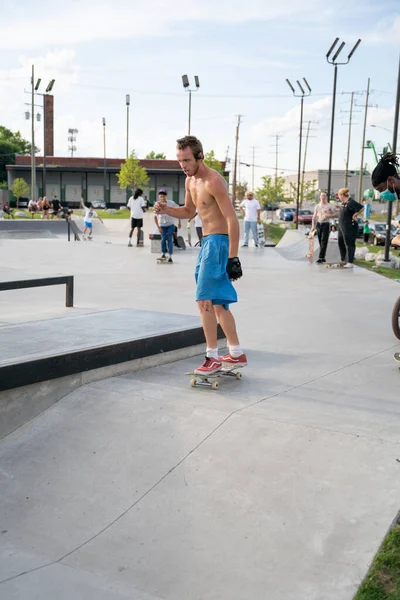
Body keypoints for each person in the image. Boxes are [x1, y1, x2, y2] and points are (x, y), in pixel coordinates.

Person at [155, 135, 245, 375]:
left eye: (186, 160)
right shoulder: (190, 182)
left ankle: (212, 356)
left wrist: (233, 257)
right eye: (179, 160)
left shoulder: (214, 181)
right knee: (217, 304)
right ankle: (236, 353)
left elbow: (231, 219)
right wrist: (167, 210)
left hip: (218, 242)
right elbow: (188, 211)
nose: (182, 165)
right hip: (206, 243)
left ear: (199, 157)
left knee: (203, 299)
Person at [337, 187, 363, 268]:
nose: (339, 198)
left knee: (349, 243)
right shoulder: (343, 203)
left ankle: (350, 261)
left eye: (339, 196)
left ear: (342, 195)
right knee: (340, 242)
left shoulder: (351, 202)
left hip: (349, 226)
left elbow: (361, 208)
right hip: (341, 226)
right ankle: (344, 259)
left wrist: (355, 215)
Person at [311, 192, 337, 263]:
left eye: (325, 196)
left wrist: (329, 215)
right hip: (319, 224)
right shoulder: (317, 206)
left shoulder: (329, 206)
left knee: (324, 240)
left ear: (326, 197)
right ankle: (323, 256)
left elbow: (335, 213)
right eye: (322, 196)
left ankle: (320, 257)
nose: (323, 197)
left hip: (326, 224)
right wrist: (313, 226)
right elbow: (314, 217)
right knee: (320, 241)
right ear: (320, 197)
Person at [153, 188, 179, 263]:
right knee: (163, 239)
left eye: (164, 196)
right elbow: (155, 216)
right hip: (162, 225)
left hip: (170, 224)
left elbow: (178, 210)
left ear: (166, 196)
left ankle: (170, 255)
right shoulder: (157, 205)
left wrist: (179, 221)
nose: (162, 197)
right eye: (161, 196)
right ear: (159, 197)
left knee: (170, 239)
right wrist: (158, 227)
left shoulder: (171, 203)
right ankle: (163, 253)